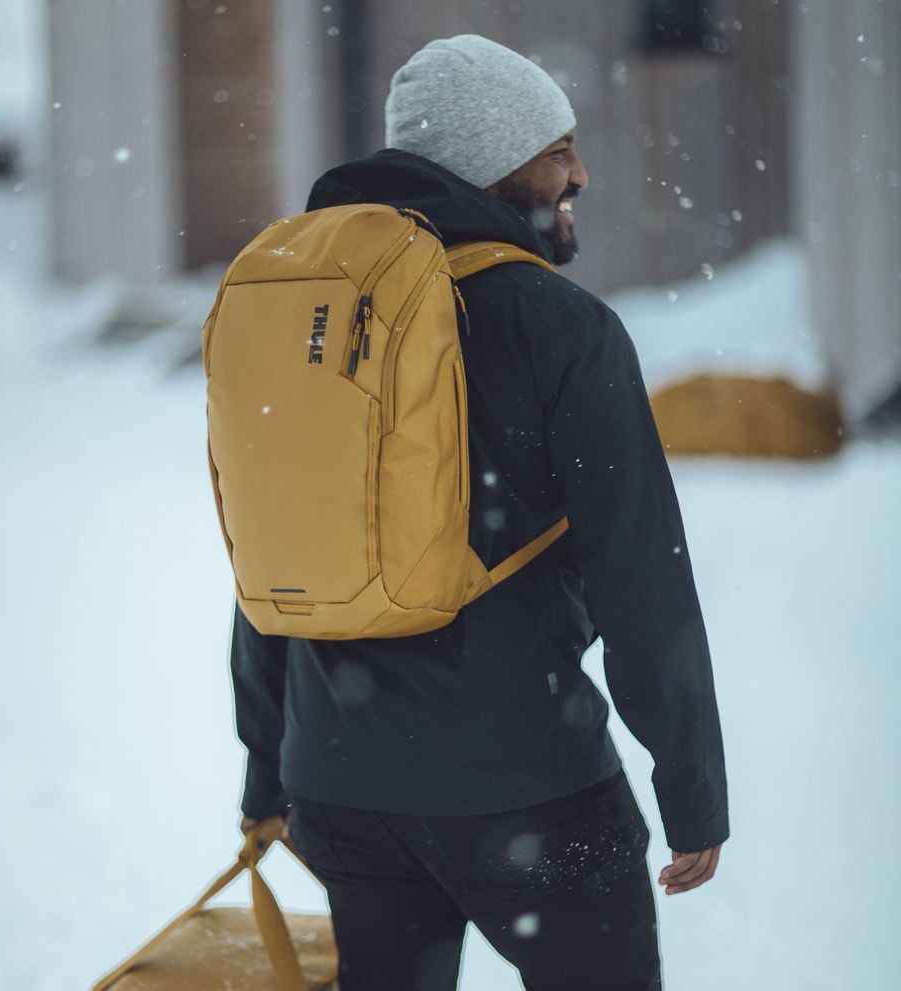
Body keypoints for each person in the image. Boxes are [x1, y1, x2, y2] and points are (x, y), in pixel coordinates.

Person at [230, 34, 728, 991]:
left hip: (341, 788)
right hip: (529, 794)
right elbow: (640, 575)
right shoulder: (558, 325)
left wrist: (271, 771)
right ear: (495, 166)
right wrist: (692, 790)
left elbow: (272, 550)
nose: (579, 171)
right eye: (557, 148)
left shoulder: (314, 317)